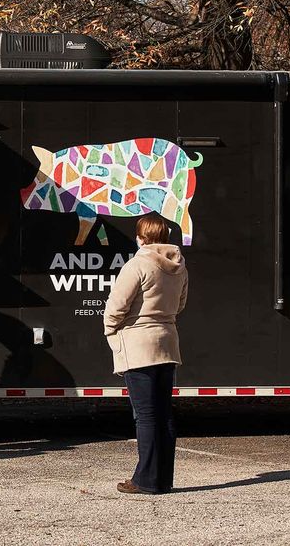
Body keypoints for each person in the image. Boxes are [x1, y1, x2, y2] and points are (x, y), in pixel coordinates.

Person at [103, 212, 189, 494]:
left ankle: (145, 480)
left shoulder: (137, 265)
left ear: (141, 237)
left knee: (145, 416)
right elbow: (180, 304)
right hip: (167, 343)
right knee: (163, 414)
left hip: (139, 345)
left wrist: (112, 333)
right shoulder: (179, 266)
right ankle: (163, 479)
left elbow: (115, 307)